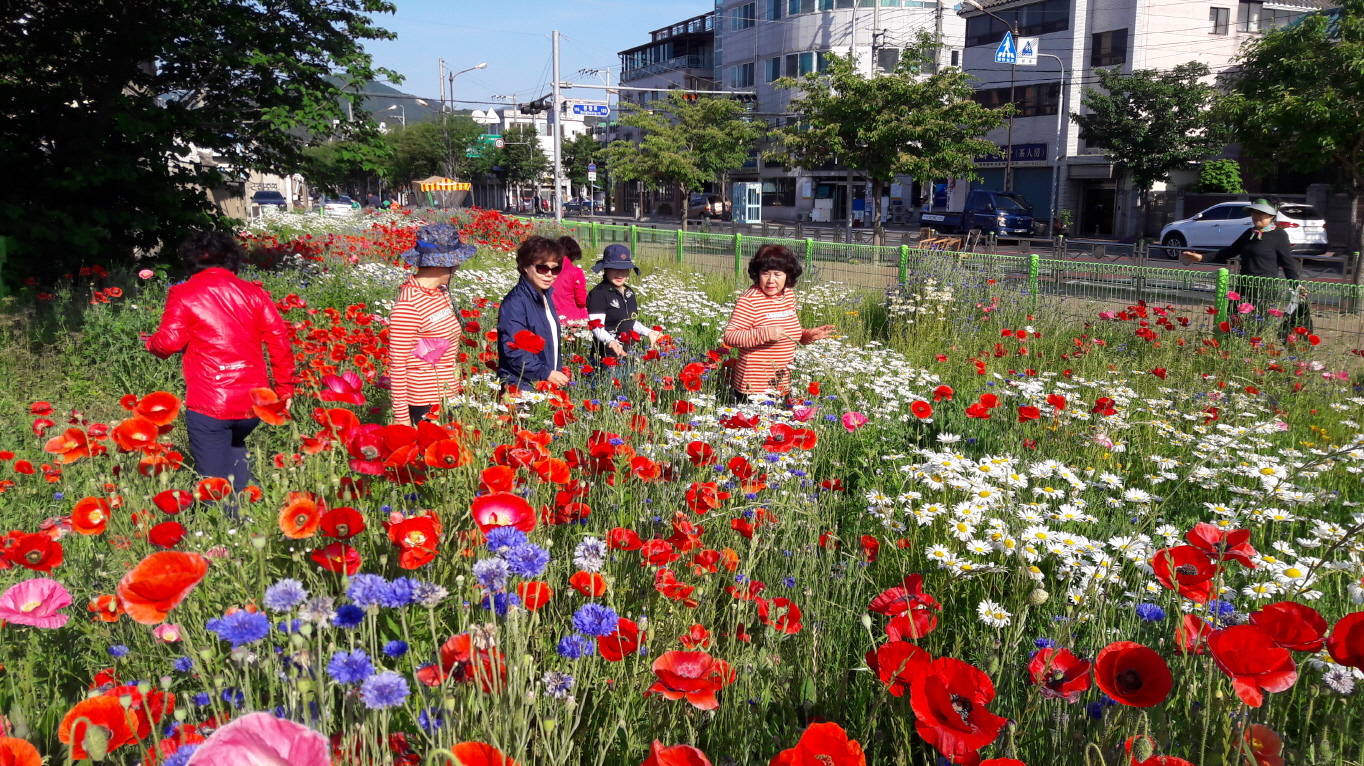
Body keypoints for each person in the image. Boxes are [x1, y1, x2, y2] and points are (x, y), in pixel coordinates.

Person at [145, 231, 296, 494]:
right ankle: (250, 519)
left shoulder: (184, 293)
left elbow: (167, 343)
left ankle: (225, 527)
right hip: (253, 401)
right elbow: (280, 343)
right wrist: (285, 390)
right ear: (232, 260)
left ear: (191, 261)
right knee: (236, 455)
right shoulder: (255, 294)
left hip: (210, 403)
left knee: (215, 485)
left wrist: (150, 342)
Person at [388, 223, 478, 425]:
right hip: (424, 401)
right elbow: (398, 365)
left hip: (448, 394)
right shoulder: (408, 305)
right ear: (441, 264)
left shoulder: (441, 293)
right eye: (456, 262)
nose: (458, 267)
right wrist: (402, 420)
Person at [721, 244, 835, 403]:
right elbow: (730, 337)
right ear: (757, 274)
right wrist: (766, 334)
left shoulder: (787, 295)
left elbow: (788, 333)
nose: (771, 280)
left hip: (781, 384)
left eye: (777, 274)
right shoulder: (749, 301)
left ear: (788, 275)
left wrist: (808, 335)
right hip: (753, 387)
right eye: (765, 273)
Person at [1182, 200, 1309, 333]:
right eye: (1254, 212)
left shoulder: (1279, 235)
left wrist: (1296, 285)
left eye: (1261, 213)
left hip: (1264, 290)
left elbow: (1288, 263)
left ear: (1271, 216)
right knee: (1234, 324)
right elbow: (1229, 251)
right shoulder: (1249, 233)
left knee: (1255, 329)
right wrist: (1201, 257)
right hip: (1243, 288)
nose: (1256, 216)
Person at [497, 236, 570, 391]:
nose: (549, 274)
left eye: (555, 269)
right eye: (542, 268)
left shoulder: (545, 295)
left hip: (543, 382)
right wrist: (546, 372)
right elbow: (513, 349)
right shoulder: (515, 302)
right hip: (521, 385)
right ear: (525, 266)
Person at [586, 245, 662, 380]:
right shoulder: (598, 294)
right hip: (606, 358)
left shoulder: (629, 292)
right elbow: (596, 327)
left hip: (628, 355)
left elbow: (630, 322)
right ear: (605, 269)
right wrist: (611, 341)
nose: (620, 274)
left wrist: (648, 332)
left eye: (624, 269)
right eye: (615, 269)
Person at [551, 236, 589, 326]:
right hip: (573, 319)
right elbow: (581, 300)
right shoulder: (575, 272)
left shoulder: (548, 269)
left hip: (552, 316)